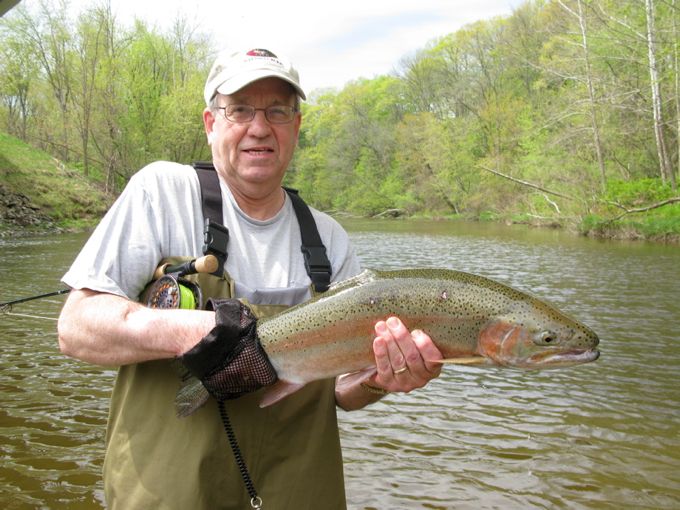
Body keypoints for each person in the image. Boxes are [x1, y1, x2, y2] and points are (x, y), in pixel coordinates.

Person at [57, 47, 443, 509]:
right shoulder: (161, 192)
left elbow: (341, 392)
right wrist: (190, 330)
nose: (259, 127)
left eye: (278, 111)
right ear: (210, 123)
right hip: (171, 491)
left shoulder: (329, 238)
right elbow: (76, 328)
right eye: (239, 109)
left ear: (296, 126)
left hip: (298, 492)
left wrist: (383, 378)